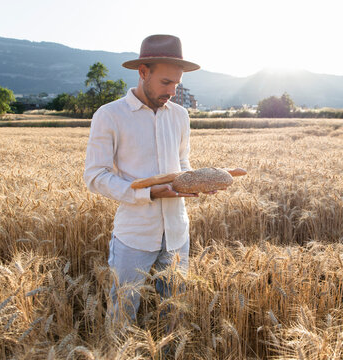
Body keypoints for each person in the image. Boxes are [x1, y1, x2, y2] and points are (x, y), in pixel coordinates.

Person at [83, 34, 209, 326]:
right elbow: (95, 175)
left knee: (174, 313)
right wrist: (148, 194)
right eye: (166, 82)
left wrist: (194, 181)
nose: (173, 91)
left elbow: (182, 164)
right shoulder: (110, 115)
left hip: (177, 234)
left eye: (176, 84)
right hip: (134, 235)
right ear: (143, 72)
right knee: (122, 314)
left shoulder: (180, 115)